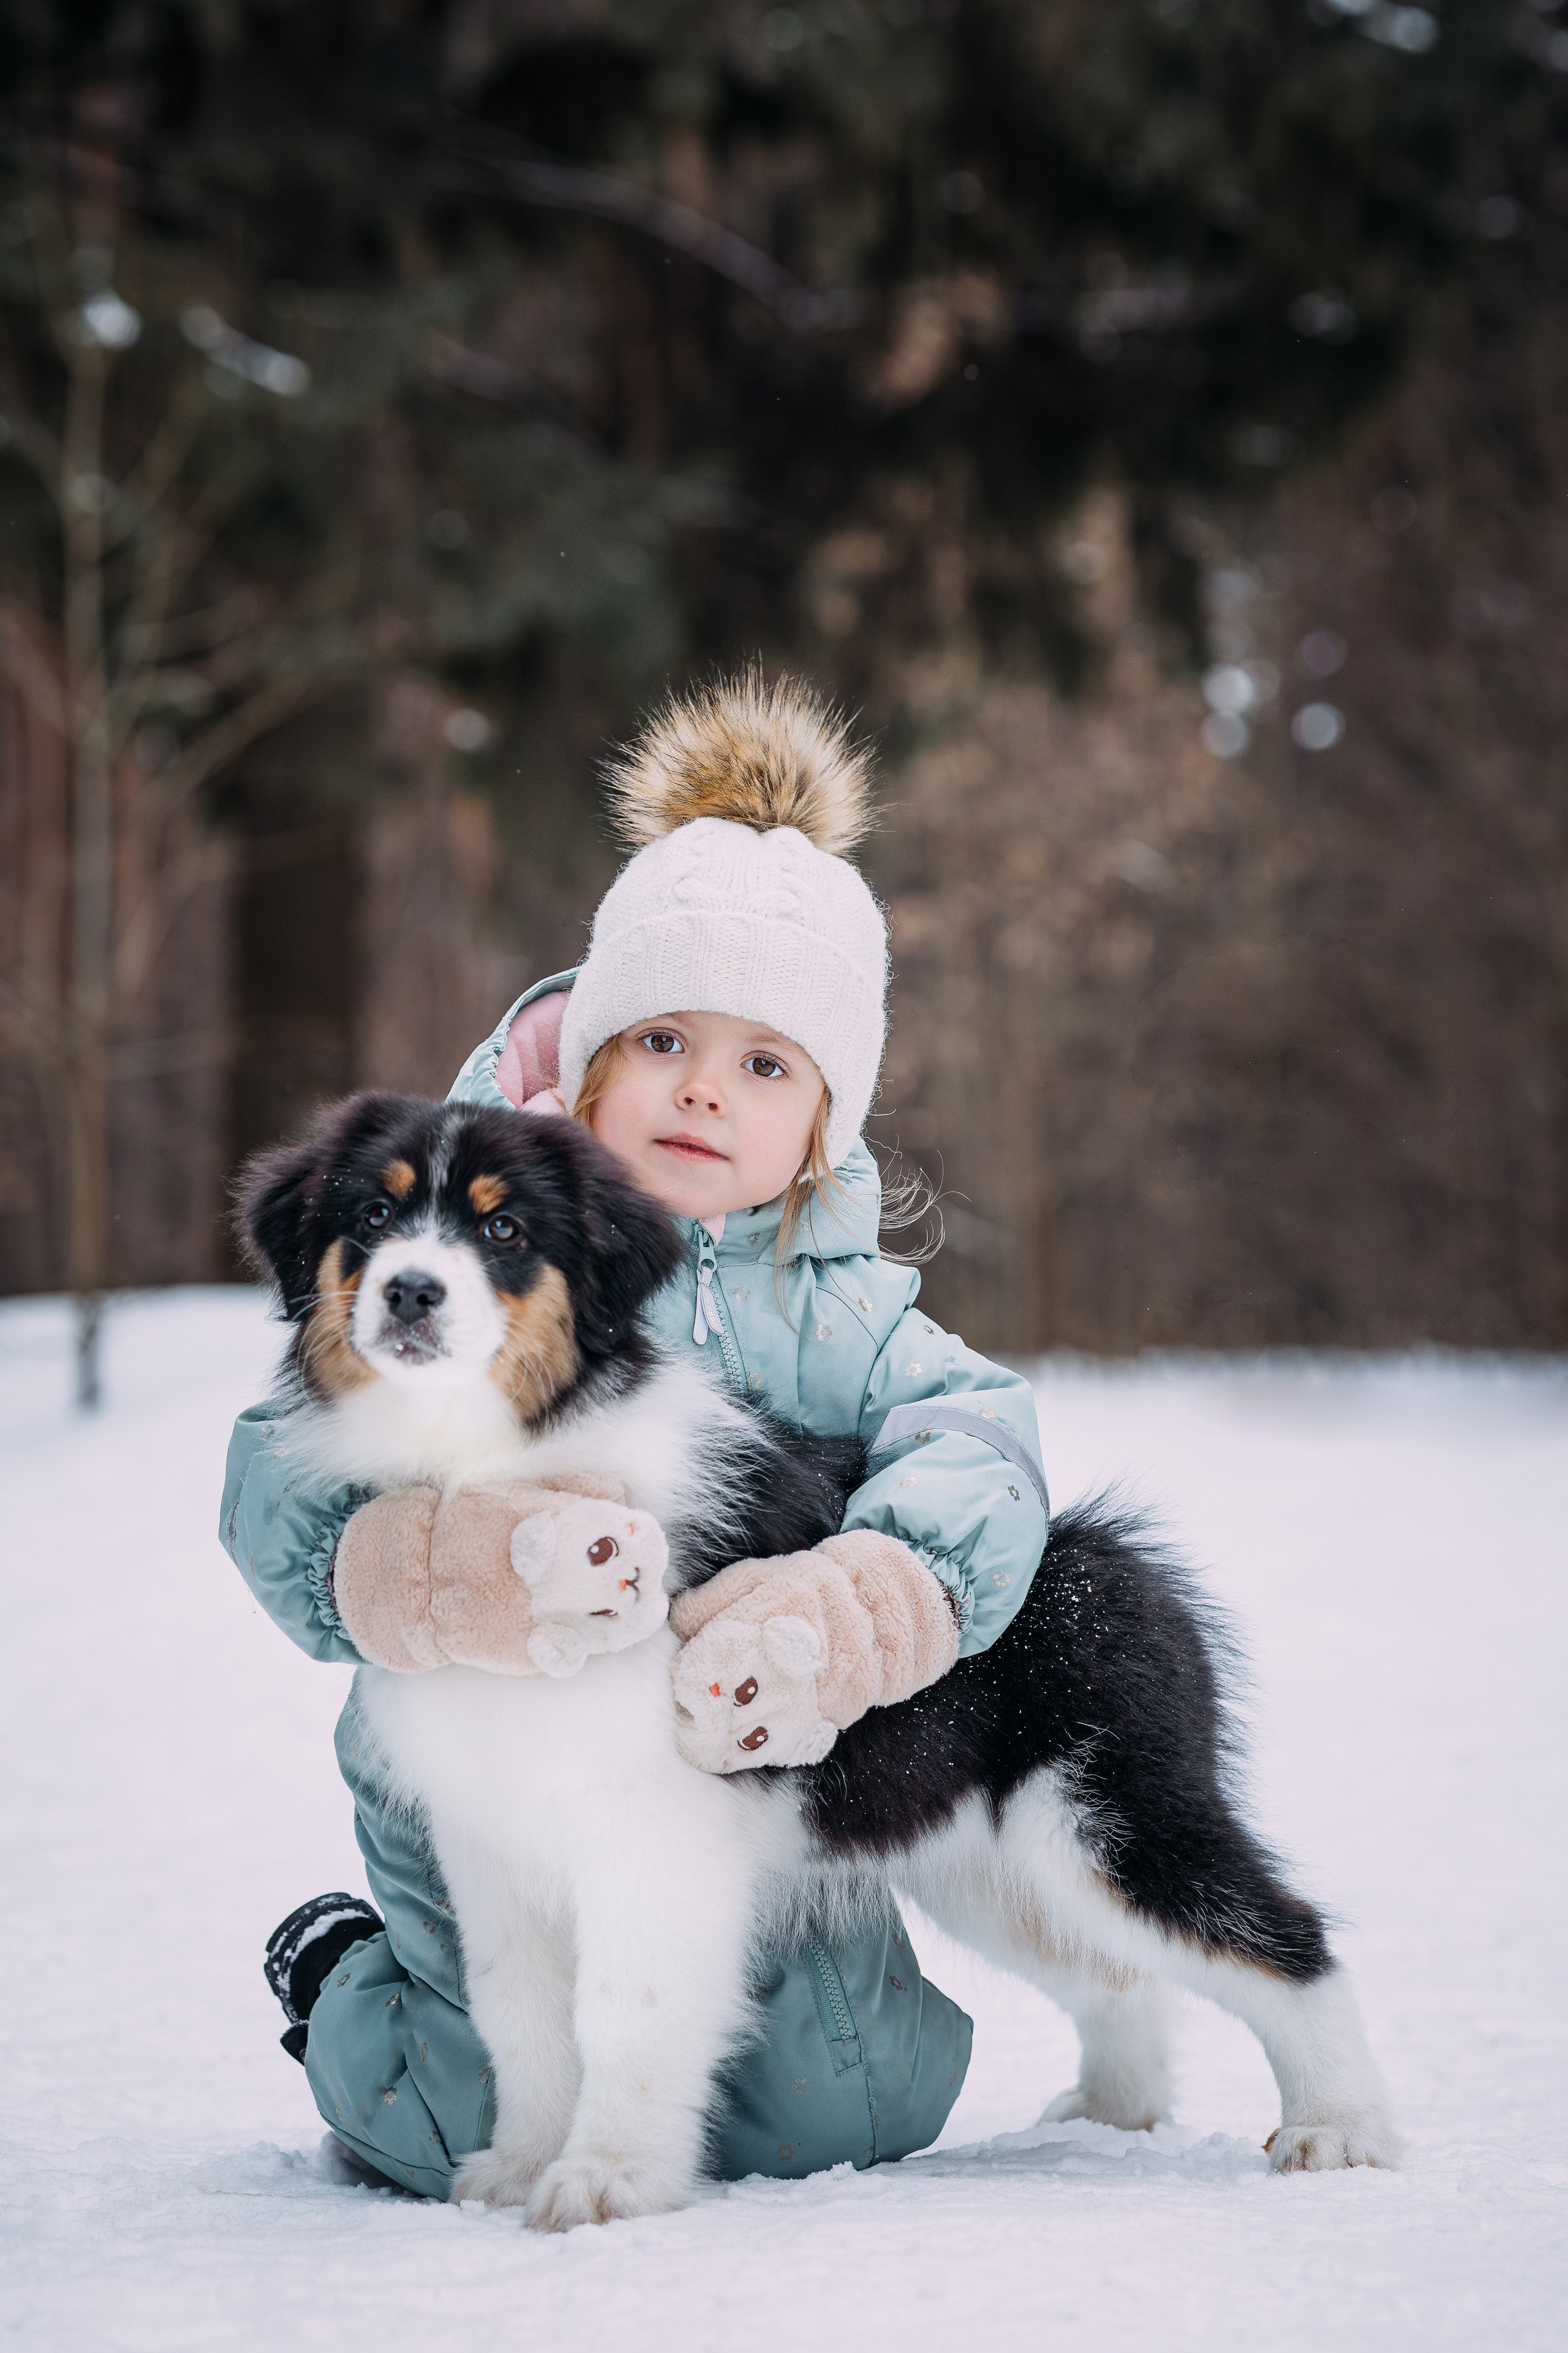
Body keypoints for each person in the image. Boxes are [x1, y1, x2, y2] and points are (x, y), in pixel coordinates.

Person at [222, 670, 1051, 2200]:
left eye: (764, 1064)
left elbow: (982, 1442)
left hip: (732, 1785)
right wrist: (409, 1565)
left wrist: (877, 1595)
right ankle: (347, 1972)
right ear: (589, 1051)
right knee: (454, 2114)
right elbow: (275, 1479)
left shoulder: (840, 1310)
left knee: (846, 2106)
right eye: (663, 1036)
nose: (701, 1091)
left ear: (821, 1121)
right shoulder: (440, 1225)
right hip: (470, 1782)